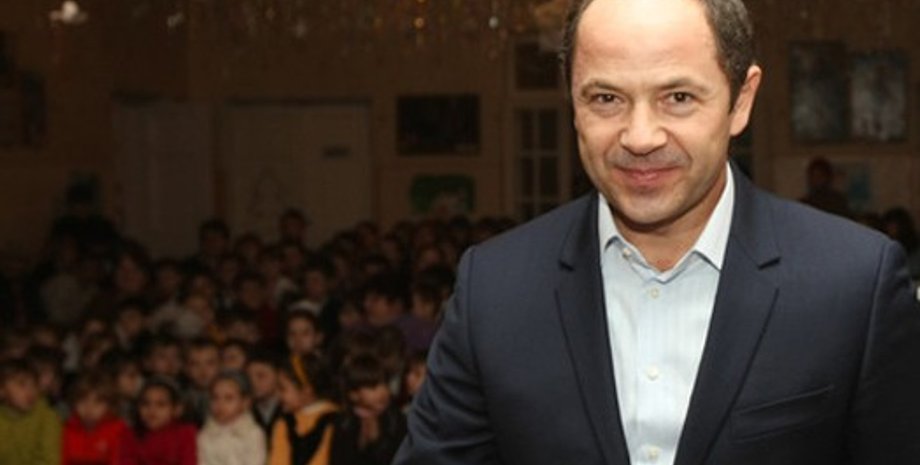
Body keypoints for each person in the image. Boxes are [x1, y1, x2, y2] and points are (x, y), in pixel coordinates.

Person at [394, 0, 920, 463]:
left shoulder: (855, 284)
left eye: (678, 97)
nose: (640, 137)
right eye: (606, 99)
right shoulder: (493, 289)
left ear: (740, 101)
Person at [269, 354, 338, 465]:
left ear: (307, 390)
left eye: (283, 389)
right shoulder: (284, 423)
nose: (278, 395)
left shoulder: (334, 422)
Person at [62, 370, 133, 465]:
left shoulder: (118, 430)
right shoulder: (68, 429)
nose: (89, 408)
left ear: (109, 405)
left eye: (97, 402)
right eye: (82, 401)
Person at [0, 358, 62, 465]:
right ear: (2, 390)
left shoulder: (47, 418)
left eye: (34, 385)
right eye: (21, 384)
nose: (30, 391)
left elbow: (50, 459)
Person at [197, 372, 266, 465]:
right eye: (215, 398)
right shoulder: (205, 434)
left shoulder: (253, 434)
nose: (220, 404)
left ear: (246, 402)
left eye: (228, 398)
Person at [126, 378, 197, 465]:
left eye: (161, 404)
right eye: (145, 404)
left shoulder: (185, 433)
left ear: (177, 409)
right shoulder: (131, 435)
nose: (152, 410)